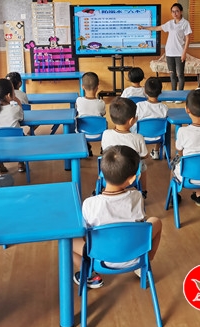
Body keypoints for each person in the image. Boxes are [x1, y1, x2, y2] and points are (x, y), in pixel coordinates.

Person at [72, 145, 162, 289]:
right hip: (134, 255)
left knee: (68, 239)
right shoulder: (137, 196)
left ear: (102, 172)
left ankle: (89, 275)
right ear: (133, 179)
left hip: (100, 258)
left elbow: (84, 232)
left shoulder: (90, 203)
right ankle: (144, 264)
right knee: (155, 222)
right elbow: (140, 221)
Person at [101, 97, 149, 198]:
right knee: (143, 165)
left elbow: (105, 150)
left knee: (104, 160)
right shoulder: (138, 137)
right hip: (130, 175)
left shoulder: (106, 134)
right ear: (131, 121)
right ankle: (143, 191)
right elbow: (144, 155)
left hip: (110, 171)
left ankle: (99, 185)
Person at [138, 3, 192, 90]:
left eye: (177, 11)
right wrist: (144, 28)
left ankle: (180, 93)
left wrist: (184, 53)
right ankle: (173, 92)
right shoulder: (170, 23)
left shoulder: (185, 23)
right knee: (172, 74)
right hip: (169, 53)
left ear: (181, 12)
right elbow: (157, 28)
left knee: (180, 74)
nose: (175, 13)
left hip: (179, 53)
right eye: (173, 12)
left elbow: (188, 38)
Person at [0, 78, 24, 173]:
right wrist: (17, 101)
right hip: (16, 142)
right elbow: (21, 118)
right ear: (9, 95)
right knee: (23, 136)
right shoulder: (15, 108)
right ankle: (21, 164)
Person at [134, 77, 169, 160]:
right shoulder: (164, 108)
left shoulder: (139, 106)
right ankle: (156, 151)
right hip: (159, 136)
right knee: (161, 128)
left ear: (145, 91)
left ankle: (139, 153)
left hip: (141, 136)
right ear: (160, 92)